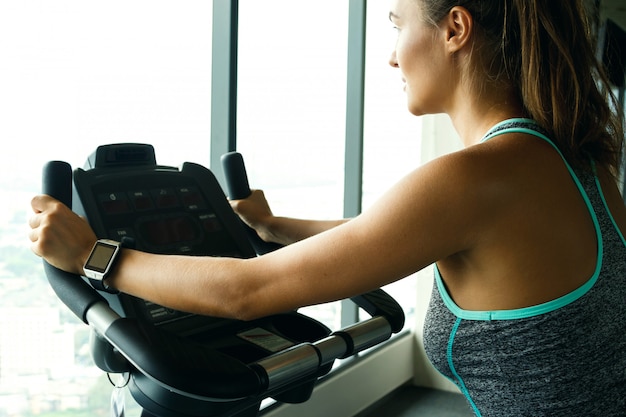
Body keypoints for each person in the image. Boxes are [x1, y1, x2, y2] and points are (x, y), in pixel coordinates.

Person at [29, 0, 626, 415]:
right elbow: (394, 233)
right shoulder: (576, 162)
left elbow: (248, 292)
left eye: (397, 25)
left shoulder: (473, 178)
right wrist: (273, 225)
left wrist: (91, 253)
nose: (392, 56)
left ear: (455, 29)